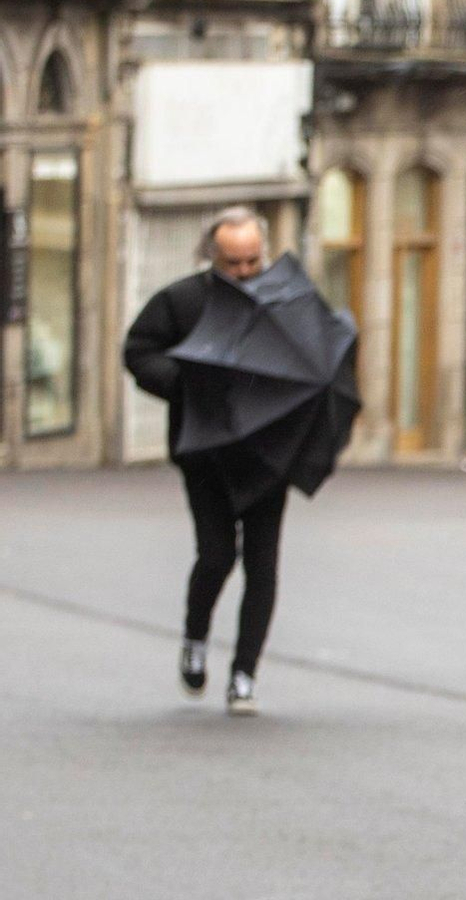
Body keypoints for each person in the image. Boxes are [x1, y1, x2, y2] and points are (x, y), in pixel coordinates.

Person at [124, 207, 283, 716]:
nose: (243, 272)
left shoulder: (285, 301)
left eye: (253, 261)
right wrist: (187, 382)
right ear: (211, 256)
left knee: (263, 564)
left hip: (268, 452)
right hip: (204, 452)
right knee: (216, 554)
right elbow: (139, 352)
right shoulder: (181, 300)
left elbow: (319, 354)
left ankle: (244, 676)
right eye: (232, 262)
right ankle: (195, 639)